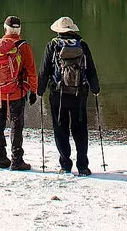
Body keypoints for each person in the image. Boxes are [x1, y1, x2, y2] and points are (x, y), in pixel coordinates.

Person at [38, 15, 100, 175]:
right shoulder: (83, 45)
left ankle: (65, 165)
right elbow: (91, 69)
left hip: (58, 95)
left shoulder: (52, 45)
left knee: (60, 129)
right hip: (79, 94)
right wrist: (95, 89)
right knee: (80, 130)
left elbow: (44, 71)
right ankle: (83, 166)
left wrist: (39, 90)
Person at [0, 15, 38, 170]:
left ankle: (0, 158)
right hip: (17, 92)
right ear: (19, 30)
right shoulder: (23, 46)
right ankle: (17, 160)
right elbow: (31, 71)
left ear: (5, 29)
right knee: (16, 125)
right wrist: (33, 91)